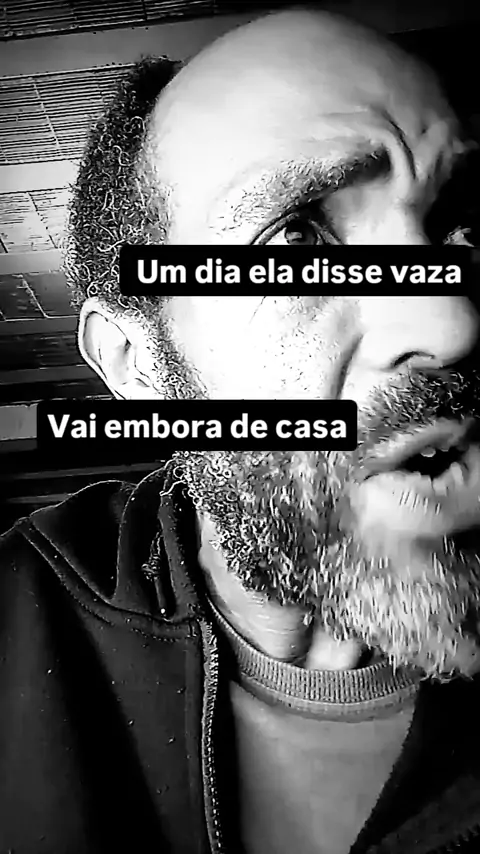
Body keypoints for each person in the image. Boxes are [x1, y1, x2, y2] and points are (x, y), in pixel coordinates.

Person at [2, 6, 480, 854]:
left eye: (460, 230)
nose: (451, 323)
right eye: (296, 240)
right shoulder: (18, 627)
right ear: (138, 365)